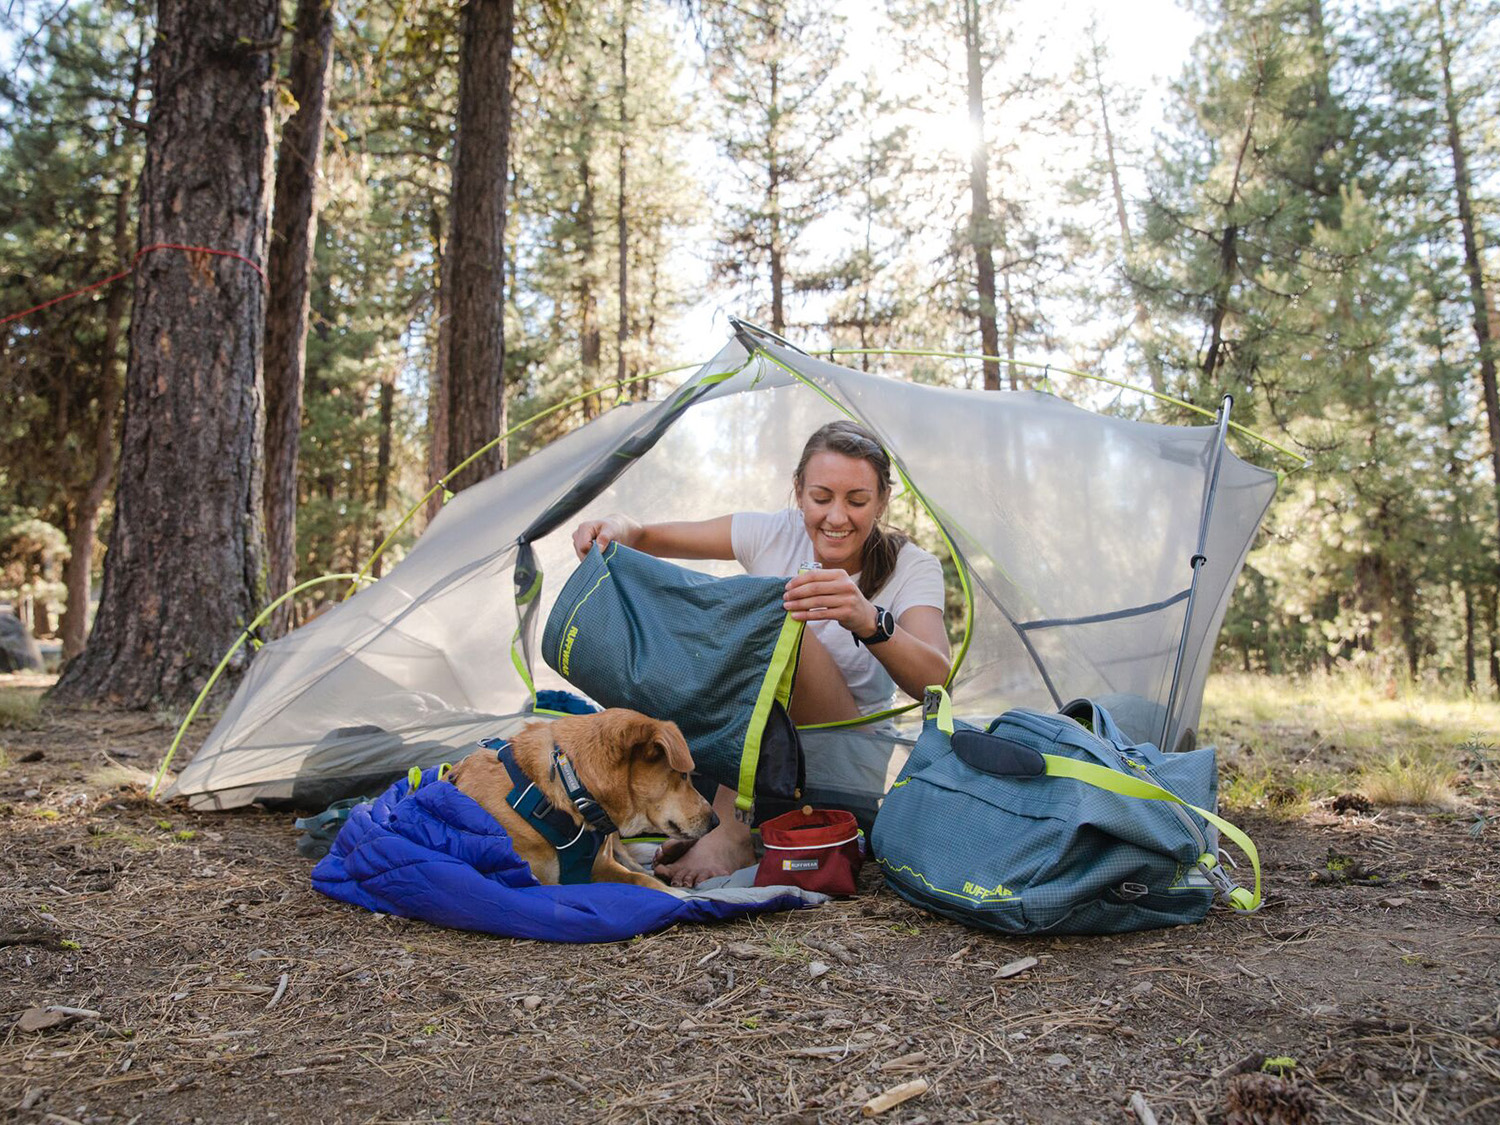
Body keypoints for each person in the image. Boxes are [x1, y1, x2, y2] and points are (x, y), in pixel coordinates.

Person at [569, 420, 951, 886]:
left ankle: (732, 832)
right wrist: (615, 528)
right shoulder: (773, 532)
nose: (836, 517)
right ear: (798, 491)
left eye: (857, 501)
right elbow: (646, 536)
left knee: (785, 622)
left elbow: (936, 680)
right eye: (821, 497)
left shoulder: (913, 566)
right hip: (755, 755)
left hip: (842, 759)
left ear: (883, 500)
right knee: (713, 619)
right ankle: (681, 810)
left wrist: (868, 619)